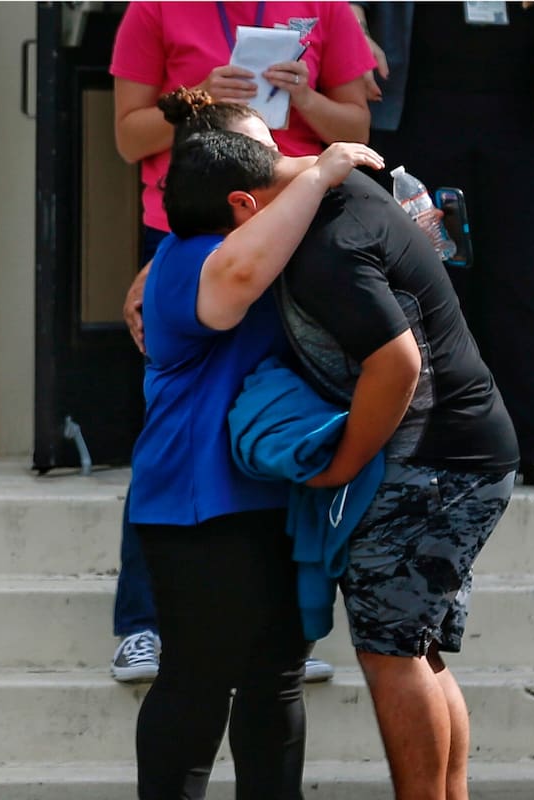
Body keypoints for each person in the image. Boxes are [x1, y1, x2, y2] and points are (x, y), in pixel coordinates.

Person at [179, 92, 518, 799]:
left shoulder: (324, 249)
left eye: (229, 238)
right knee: (416, 647)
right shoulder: (338, 189)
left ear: (244, 207)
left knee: (389, 652)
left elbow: (397, 364)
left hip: (435, 464)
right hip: (468, 449)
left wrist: (343, 465)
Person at [109, 1, 376, 683]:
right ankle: (142, 623)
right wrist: (190, 103)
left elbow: (358, 127)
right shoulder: (154, 9)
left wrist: (303, 96)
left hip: (291, 221)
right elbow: (128, 137)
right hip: (192, 226)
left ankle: (287, 623)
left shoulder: (328, 10)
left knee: (287, 405)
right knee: (175, 417)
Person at [129, 87, 383, 798]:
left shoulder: (273, 237)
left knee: (276, 679)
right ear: (232, 184)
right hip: (195, 508)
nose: (288, 165)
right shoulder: (188, 259)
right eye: (270, 159)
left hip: (278, 497)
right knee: (198, 681)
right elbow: (238, 276)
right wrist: (326, 170)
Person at [351, 2, 534, 489]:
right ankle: (436, 439)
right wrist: (356, 25)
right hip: (415, 105)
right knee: (426, 278)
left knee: (527, 279)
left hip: (529, 113)